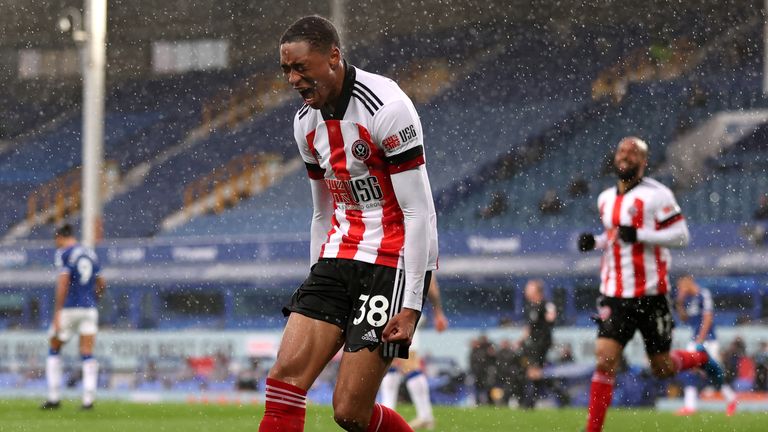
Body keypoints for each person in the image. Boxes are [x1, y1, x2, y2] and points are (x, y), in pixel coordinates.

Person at [259, 16, 439, 432]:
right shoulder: (305, 123)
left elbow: (419, 212)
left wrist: (412, 305)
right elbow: (322, 212)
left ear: (334, 56)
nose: (293, 78)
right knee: (283, 382)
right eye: (287, 69)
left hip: (389, 261)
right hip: (338, 254)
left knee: (350, 413)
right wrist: (313, 282)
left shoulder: (388, 109)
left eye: (301, 67)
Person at [577, 136, 724, 432]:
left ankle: (699, 357)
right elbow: (617, 236)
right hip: (614, 294)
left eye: (634, 152)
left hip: (651, 295)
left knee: (662, 368)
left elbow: (682, 236)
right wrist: (595, 242)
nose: (626, 155)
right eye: (622, 150)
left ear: (644, 162)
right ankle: (593, 430)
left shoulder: (658, 195)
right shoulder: (605, 198)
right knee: (605, 360)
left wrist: (643, 235)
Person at [41, 223, 106, 410]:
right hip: (89, 309)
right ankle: (88, 401)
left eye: (56, 240)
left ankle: (54, 398)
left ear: (60, 237)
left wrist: (57, 312)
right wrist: (94, 299)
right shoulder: (90, 253)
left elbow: (63, 283)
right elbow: (102, 282)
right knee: (87, 352)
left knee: (54, 345)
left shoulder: (64, 253)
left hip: (69, 307)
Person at [379, 277, 448, 430]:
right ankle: (394, 411)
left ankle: (421, 414)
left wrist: (438, 313)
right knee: (393, 362)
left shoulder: (412, 253)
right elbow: (431, 282)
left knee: (407, 362)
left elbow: (430, 282)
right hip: (398, 311)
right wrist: (438, 312)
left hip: (402, 313)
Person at [675, 275, 738, 416]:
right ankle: (690, 406)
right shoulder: (688, 299)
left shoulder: (704, 294)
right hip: (695, 339)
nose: (680, 289)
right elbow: (684, 319)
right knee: (689, 370)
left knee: (712, 373)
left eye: (681, 286)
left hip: (708, 340)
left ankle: (732, 399)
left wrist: (700, 340)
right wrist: (679, 303)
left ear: (689, 282)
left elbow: (708, 318)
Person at [517, 279, 556, 408]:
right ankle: (549, 394)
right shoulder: (530, 306)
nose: (526, 291)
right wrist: (521, 340)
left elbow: (551, 317)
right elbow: (530, 327)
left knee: (534, 370)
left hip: (541, 342)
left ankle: (531, 401)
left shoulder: (546, 304)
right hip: (533, 342)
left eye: (529, 288)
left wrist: (550, 317)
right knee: (531, 370)